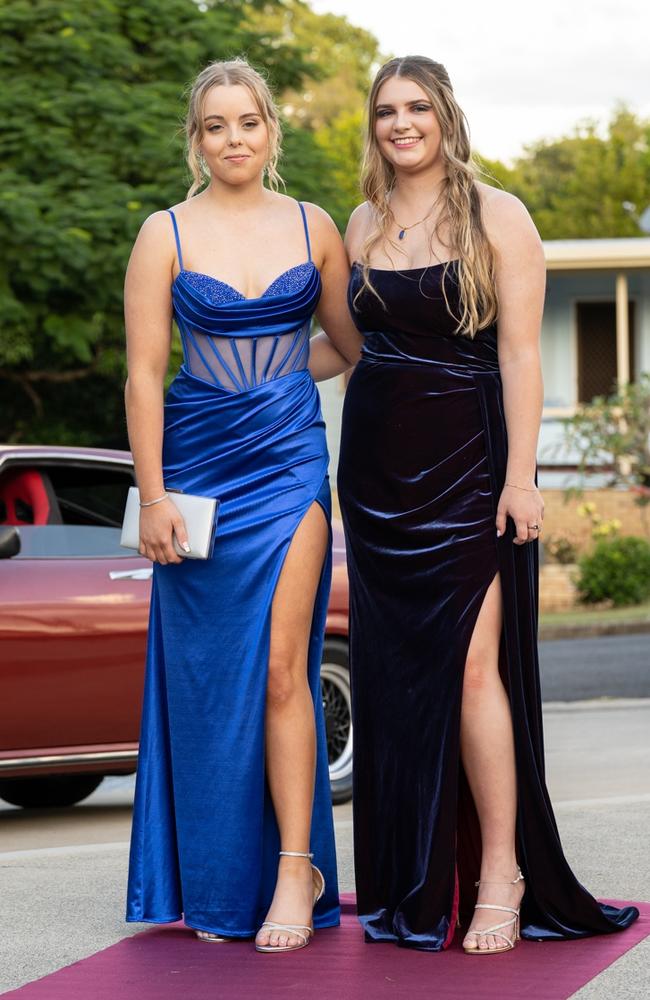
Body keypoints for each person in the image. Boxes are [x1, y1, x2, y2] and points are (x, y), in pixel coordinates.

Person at [335, 55, 639, 953]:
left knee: (474, 673)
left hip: (471, 469)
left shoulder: (498, 214)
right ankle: (416, 882)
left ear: (445, 115)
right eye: (386, 110)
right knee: (396, 684)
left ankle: (502, 870)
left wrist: (522, 478)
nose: (401, 124)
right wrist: (237, 367)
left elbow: (519, 355)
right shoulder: (360, 219)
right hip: (377, 482)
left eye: (417, 107)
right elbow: (350, 349)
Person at [123, 57, 358, 953]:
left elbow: (349, 346)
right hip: (195, 473)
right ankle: (219, 878)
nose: (233, 139)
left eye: (248, 123)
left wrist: (274, 389)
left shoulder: (315, 225)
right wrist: (152, 495)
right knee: (211, 678)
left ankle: (296, 867)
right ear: (197, 138)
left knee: (281, 667)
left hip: (293, 465)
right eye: (215, 125)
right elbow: (145, 374)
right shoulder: (164, 234)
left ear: (271, 132)